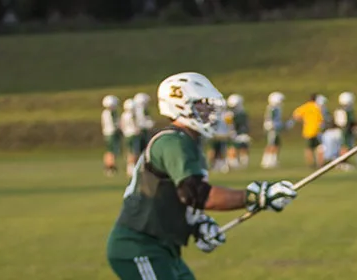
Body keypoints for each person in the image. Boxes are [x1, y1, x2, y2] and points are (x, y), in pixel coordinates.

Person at [107, 72, 299, 279]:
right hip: (140, 245)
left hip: (163, 248)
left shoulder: (187, 143)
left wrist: (197, 225)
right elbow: (196, 194)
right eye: (202, 106)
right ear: (180, 105)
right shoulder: (172, 142)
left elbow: (176, 196)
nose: (210, 112)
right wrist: (254, 196)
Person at [290, 94, 327, 168]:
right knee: (319, 147)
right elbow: (323, 118)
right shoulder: (318, 107)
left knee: (309, 148)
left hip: (308, 130)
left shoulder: (306, 106)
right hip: (317, 130)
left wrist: (304, 121)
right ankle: (320, 164)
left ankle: (311, 164)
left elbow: (296, 115)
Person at [261, 92, 287, 169]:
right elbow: (271, 119)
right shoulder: (273, 108)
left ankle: (273, 159)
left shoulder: (275, 108)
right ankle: (268, 161)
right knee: (271, 144)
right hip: (272, 129)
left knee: (276, 144)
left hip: (274, 128)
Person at [335, 92, 357, 170]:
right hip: (346, 131)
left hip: (341, 131)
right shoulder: (348, 110)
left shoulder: (340, 109)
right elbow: (351, 121)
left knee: (343, 146)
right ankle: (343, 162)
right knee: (346, 147)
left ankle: (341, 162)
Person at [227, 94, 252, 169]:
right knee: (233, 147)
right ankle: (233, 162)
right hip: (234, 133)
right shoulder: (230, 114)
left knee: (244, 146)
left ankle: (243, 162)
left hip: (241, 133)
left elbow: (245, 124)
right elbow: (230, 125)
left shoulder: (242, 113)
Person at [121, 95, 144, 174]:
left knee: (129, 151)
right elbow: (134, 124)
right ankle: (133, 167)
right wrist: (138, 130)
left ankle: (129, 167)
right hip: (133, 134)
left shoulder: (123, 115)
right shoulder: (132, 115)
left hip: (127, 134)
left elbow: (122, 125)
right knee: (135, 151)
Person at [103, 95, 123, 176]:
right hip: (111, 133)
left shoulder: (107, 112)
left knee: (110, 151)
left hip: (108, 133)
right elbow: (114, 124)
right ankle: (110, 166)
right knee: (112, 151)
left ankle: (109, 166)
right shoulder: (110, 113)